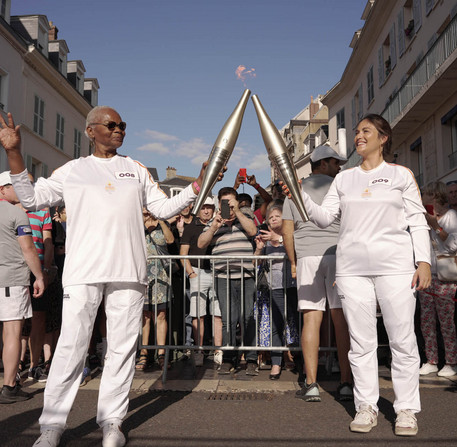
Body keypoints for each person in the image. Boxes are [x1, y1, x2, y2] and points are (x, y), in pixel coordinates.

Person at [0, 108, 221, 447]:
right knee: (71, 348)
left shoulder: (135, 170)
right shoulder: (73, 170)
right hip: (83, 271)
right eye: (112, 125)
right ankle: (52, 426)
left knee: (121, 349)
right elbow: (30, 198)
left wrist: (197, 186)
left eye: (123, 126)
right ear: (91, 131)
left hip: (129, 271)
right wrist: (13, 152)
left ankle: (112, 422)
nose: (119, 130)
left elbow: (162, 209)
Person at [295, 114, 431, 436]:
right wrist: (300, 196)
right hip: (352, 270)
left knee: (402, 341)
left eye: (365, 131)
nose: (358, 136)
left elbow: (417, 221)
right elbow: (325, 219)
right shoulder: (344, 180)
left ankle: (406, 409)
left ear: (383, 138)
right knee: (361, 342)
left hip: (395, 268)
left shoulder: (400, 175)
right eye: (356, 132)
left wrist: (423, 261)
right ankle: (366, 406)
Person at [282, 145, 352, 402]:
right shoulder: (340, 188)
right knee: (341, 320)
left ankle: (311, 384)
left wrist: (293, 261)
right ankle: (345, 382)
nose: (339, 167)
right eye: (335, 162)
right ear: (322, 164)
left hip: (308, 257)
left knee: (312, 320)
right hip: (337, 255)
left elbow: (287, 231)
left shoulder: (294, 189)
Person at [197, 187, 258, 375]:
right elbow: (200, 243)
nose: (228, 206)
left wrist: (238, 212)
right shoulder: (215, 222)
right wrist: (214, 226)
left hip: (246, 275)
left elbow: (253, 230)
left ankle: (250, 358)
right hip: (223, 277)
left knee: (247, 317)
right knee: (228, 319)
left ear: (237, 202)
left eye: (231, 202)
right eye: (224, 203)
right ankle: (229, 357)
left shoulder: (245, 217)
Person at [0, 170, 45, 403]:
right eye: (16, 185)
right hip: (11, 279)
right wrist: (39, 275)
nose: (22, 189)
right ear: (3, 189)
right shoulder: (17, 214)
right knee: (13, 334)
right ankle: (9, 386)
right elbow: (28, 249)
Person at [253, 200, 298, 380]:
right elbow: (255, 264)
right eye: (270, 217)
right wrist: (258, 249)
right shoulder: (265, 240)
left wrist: (278, 239)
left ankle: (299, 360)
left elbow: (297, 250)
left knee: (296, 323)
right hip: (274, 287)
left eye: (277, 216)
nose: (273, 219)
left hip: (293, 286)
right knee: (276, 325)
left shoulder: (292, 235)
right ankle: (276, 363)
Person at [419, 181, 457, 377]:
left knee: (446, 322)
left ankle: (451, 361)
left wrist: (436, 226)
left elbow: (453, 246)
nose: (423, 197)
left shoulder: (451, 217)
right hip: (427, 276)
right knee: (426, 321)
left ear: (436, 196)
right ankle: (431, 360)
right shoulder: (422, 220)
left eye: (427, 194)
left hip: (446, 278)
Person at [180, 197, 222, 366]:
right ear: (198, 209)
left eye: (209, 207)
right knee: (198, 315)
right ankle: (199, 350)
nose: (206, 210)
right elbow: (183, 253)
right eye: (203, 207)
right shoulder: (191, 227)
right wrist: (191, 273)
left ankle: (218, 350)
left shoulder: (220, 224)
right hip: (198, 272)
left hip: (218, 272)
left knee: (218, 314)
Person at [136, 209, 176, 371]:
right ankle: (144, 352)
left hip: (161, 275)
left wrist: (159, 219)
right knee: (145, 316)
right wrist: (141, 220)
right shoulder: (137, 224)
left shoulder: (162, 224)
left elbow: (170, 240)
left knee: (161, 315)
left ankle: (161, 353)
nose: (146, 210)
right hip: (142, 275)